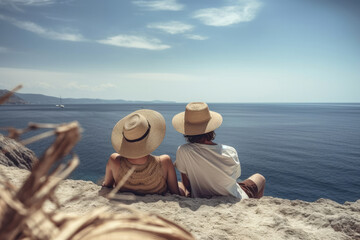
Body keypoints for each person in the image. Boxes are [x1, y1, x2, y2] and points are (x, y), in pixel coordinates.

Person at [172, 102, 265, 199]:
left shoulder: (183, 151)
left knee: (179, 184)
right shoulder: (230, 151)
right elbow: (234, 177)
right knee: (259, 177)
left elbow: (187, 184)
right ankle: (254, 207)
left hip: (201, 196)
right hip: (234, 197)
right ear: (211, 128)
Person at [103, 109, 180, 195]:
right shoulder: (165, 162)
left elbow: (106, 185)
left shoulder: (114, 160)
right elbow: (175, 193)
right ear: (149, 135)